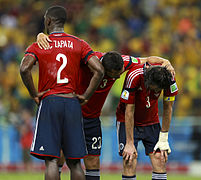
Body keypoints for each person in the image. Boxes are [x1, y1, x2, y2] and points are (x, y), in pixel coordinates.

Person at [37, 33, 175, 180]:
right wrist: (41, 35)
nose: (116, 79)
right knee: (61, 156)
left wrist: (166, 62)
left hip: (92, 119)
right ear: (101, 69)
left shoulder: (121, 62)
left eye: (119, 75)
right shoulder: (86, 61)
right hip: (72, 115)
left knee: (93, 160)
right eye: (113, 76)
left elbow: (147, 60)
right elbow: (61, 52)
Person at [20, 5, 104, 180]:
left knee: (51, 160)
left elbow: (24, 68)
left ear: (48, 21)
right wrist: (86, 96)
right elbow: (99, 71)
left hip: (50, 101)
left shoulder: (41, 44)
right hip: (72, 102)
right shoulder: (79, 43)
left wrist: (34, 94)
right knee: (75, 162)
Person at [116, 63, 178, 180]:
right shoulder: (134, 75)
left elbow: (168, 107)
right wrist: (129, 142)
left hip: (151, 121)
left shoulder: (170, 78)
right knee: (129, 160)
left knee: (160, 160)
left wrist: (164, 138)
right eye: (154, 88)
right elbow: (129, 110)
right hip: (128, 121)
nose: (155, 92)